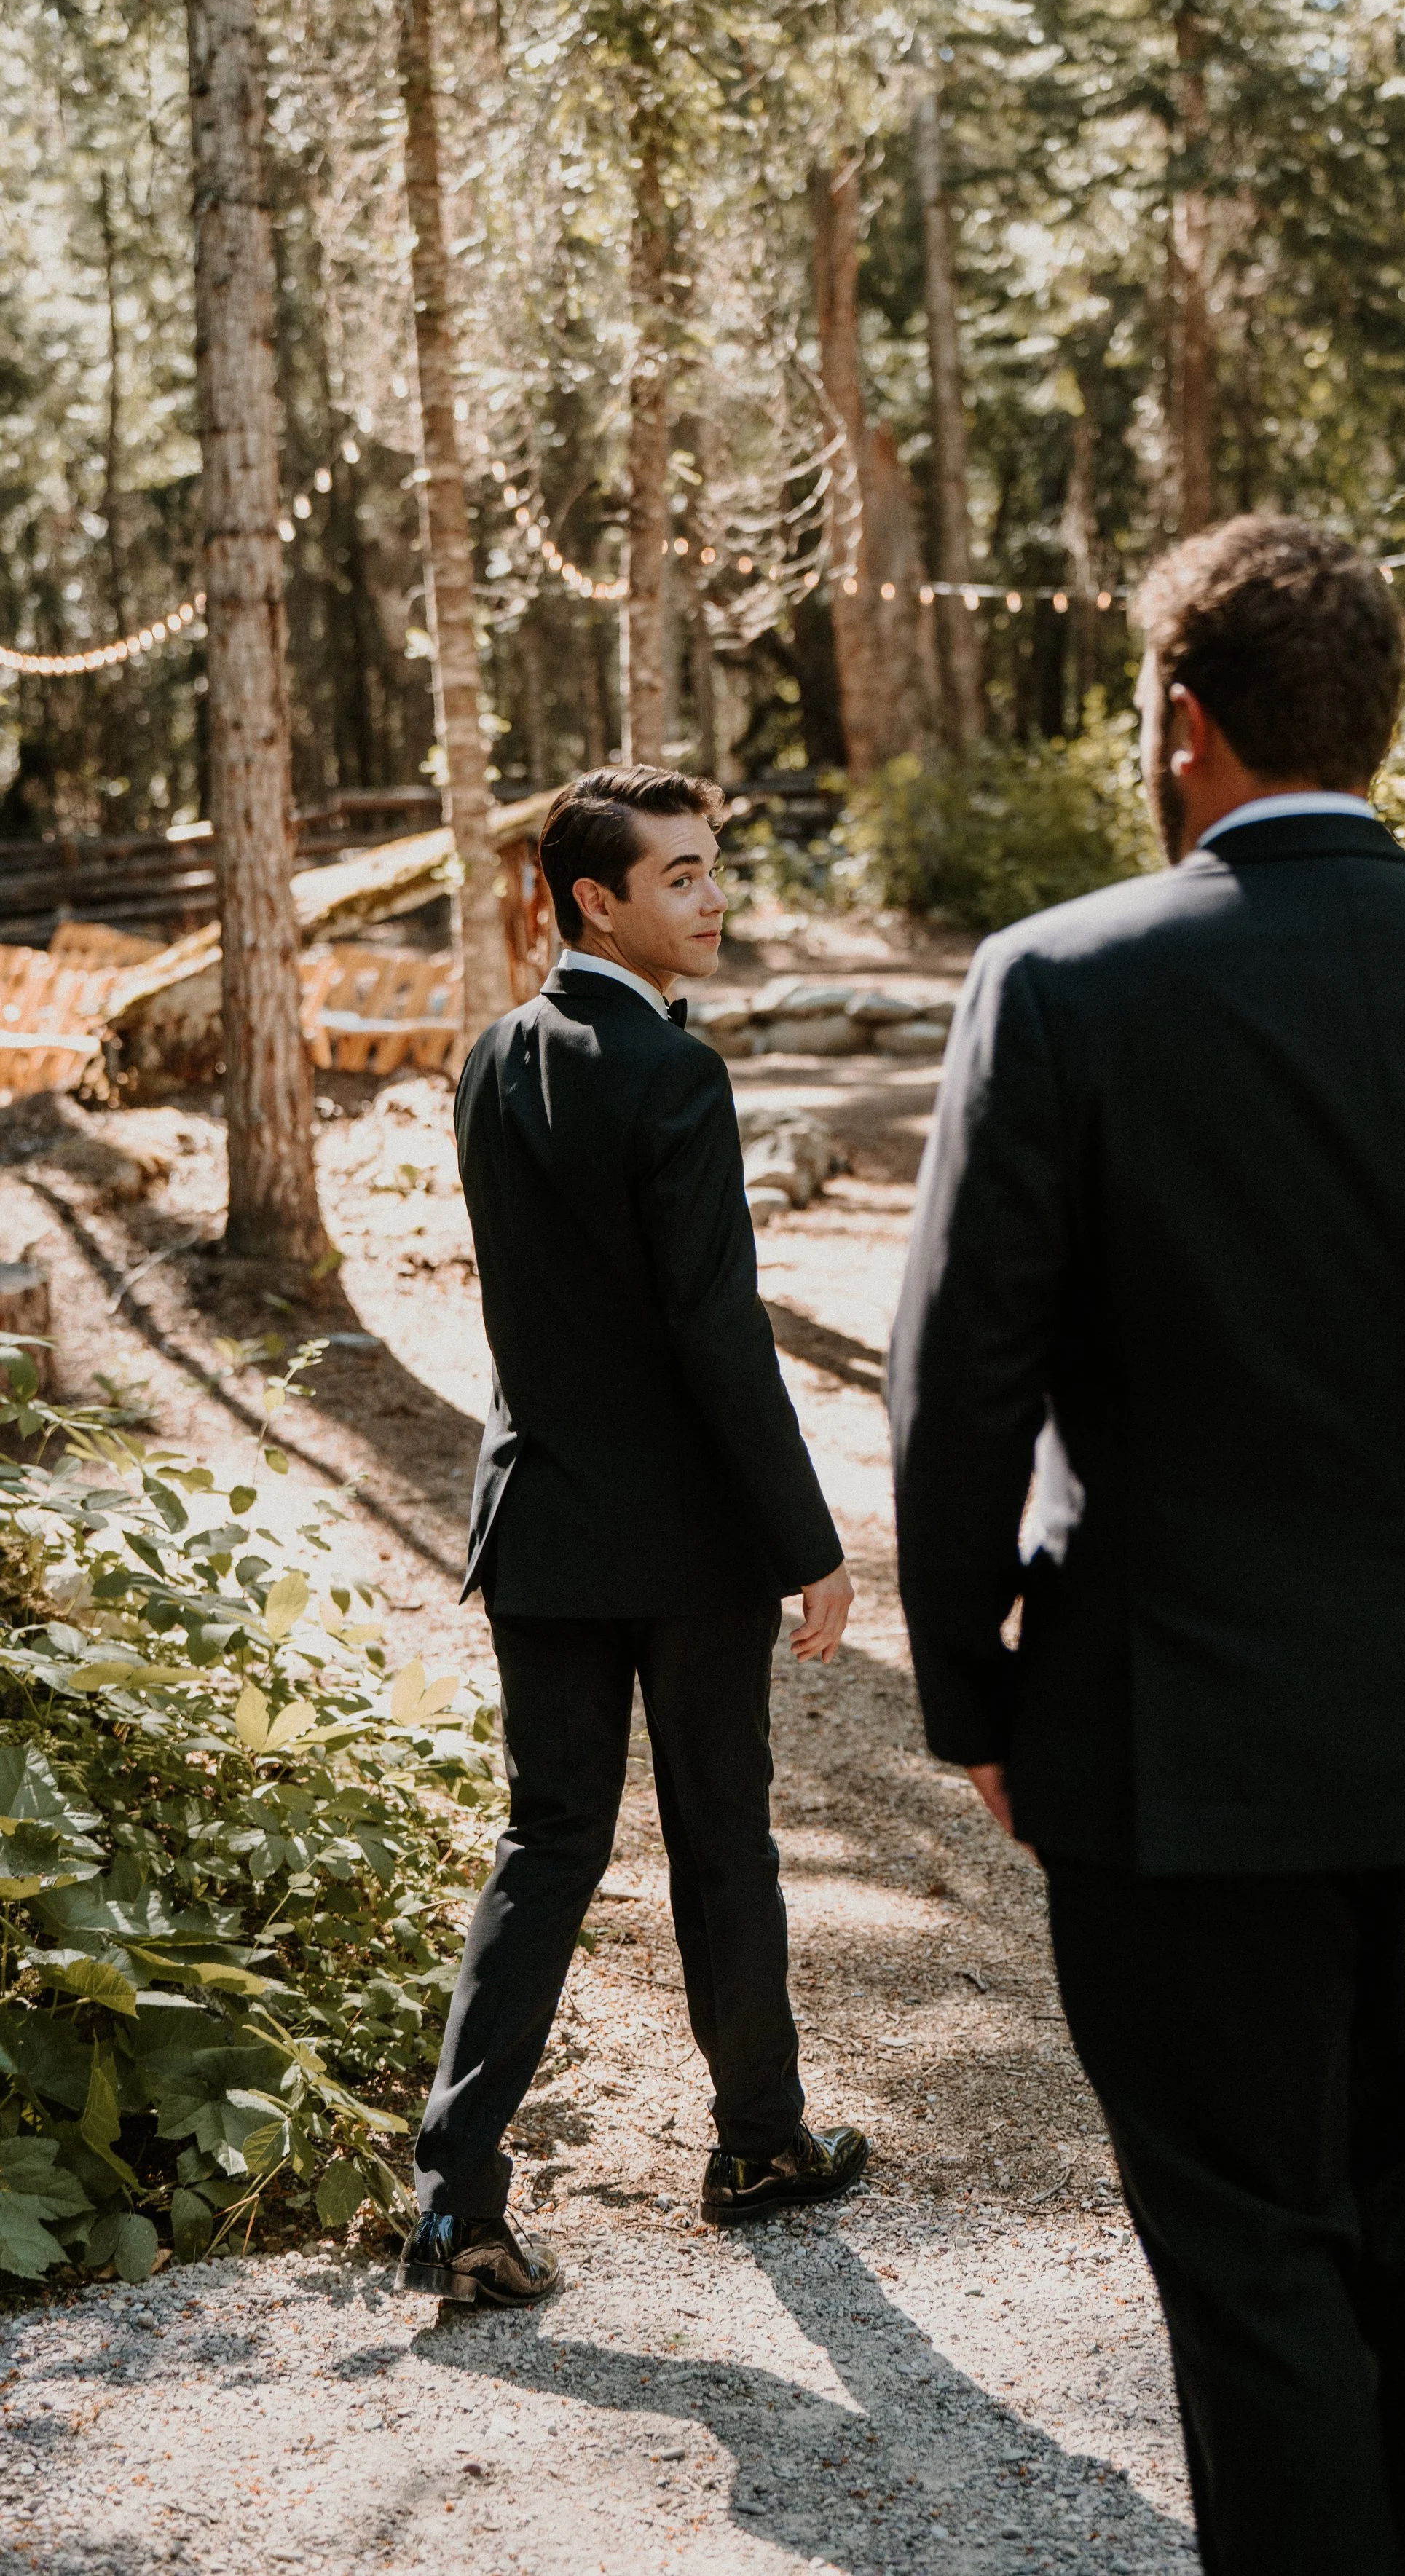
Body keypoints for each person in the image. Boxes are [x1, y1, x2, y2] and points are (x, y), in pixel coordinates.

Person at [889, 517, 1405, 2575]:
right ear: (1374, 720)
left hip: (1171, 1719)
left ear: (1179, 720)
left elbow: (959, 1378)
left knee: (1244, 2228)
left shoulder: (1058, 980)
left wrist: (972, 1684)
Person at [398, 764, 868, 2309]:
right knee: (721, 1836)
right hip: (682, 1543)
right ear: (593, 899)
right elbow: (714, 1336)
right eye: (681, 876)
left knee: (545, 1848)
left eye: (712, 868)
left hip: (538, 1524)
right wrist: (809, 1538)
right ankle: (757, 2143)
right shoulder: (676, 1075)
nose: (713, 895)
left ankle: (457, 2198)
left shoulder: (485, 1062)